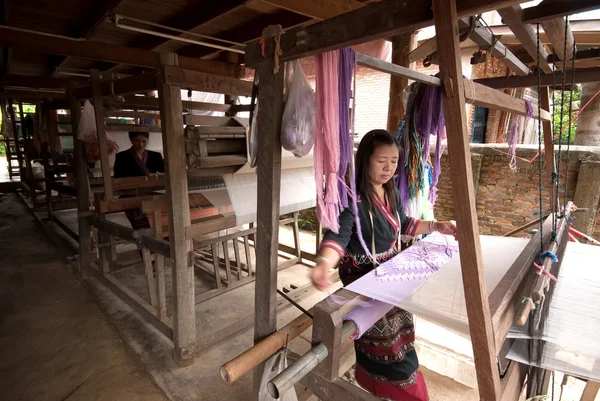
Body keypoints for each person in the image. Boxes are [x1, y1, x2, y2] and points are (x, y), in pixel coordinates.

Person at [310, 129, 457, 401]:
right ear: (365, 160)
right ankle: (400, 393)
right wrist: (323, 264)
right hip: (365, 281)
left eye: (393, 161)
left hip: (390, 277)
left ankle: (384, 390)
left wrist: (437, 226)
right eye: (381, 161)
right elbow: (337, 237)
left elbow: (404, 224)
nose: (389, 168)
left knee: (401, 338)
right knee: (382, 344)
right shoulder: (351, 200)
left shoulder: (391, 193)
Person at [113, 131, 165, 230]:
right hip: (130, 193)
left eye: (143, 141)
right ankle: (145, 239)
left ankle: (162, 236)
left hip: (150, 192)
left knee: (161, 218)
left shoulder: (155, 156)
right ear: (131, 140)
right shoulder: (122, 157)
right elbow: (118, 178)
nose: (141, 144)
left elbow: (166, 171)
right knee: (142, 223)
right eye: (137, 141)